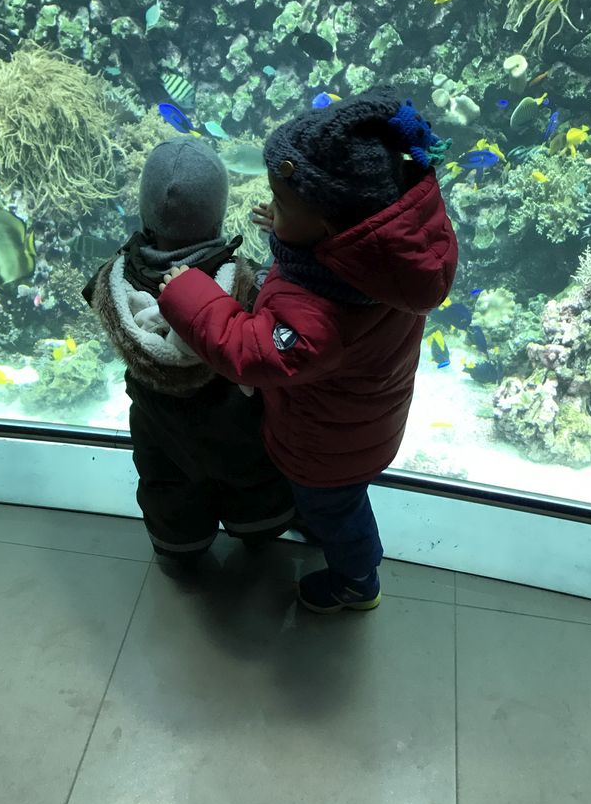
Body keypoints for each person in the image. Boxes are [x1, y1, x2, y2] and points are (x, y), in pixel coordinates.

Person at [157, 85, 460, 614]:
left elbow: (252, 350)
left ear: (324, 227)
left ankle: (356, 579)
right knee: (333, 505)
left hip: (328, 451)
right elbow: (335, 246)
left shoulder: (322, 314)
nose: (273, 207)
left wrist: (187, 292)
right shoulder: (385, 257)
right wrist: (288, 225)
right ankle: (327, 529)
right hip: (359, 423)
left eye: (283, 203)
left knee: (337, 514)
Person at [82, 136, 298, 570]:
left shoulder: (110, 281)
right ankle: (259, 529)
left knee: (166, 482)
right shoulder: (246, 285)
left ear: (145, 213)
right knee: (251, 475)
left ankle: (179, 546)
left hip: (157, 424)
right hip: (234, 425)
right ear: (217, 216)